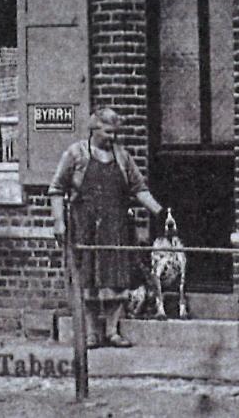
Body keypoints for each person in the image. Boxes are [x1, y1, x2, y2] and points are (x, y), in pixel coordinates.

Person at [50, 106, 164, 348]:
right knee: (88, 278)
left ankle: (112, 331)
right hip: (85, 226)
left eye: (115, 133)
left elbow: (139, 188)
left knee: (117, 277)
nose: (113, 137)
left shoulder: (122, 157)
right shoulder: (75, 154)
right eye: (108, 132)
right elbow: (57, 189)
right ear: (94, 129)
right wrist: (59, 222)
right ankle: (92, 333)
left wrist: (159, 211)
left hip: (116, 226)